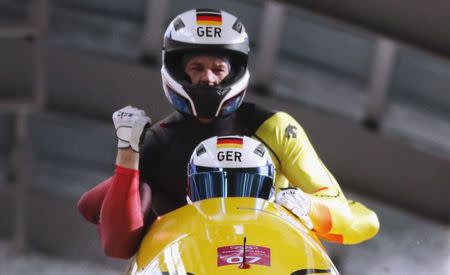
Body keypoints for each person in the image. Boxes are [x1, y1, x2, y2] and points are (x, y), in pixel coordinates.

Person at [77, 8, 379, 259]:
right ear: (178, 70)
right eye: (196, 67)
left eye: (217, 68)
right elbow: (114, 240)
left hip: (268, 258)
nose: (207, 78)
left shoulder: (275, 128)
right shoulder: (158, 141)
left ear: (233, 70)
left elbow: (362, 221)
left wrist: (308, 208)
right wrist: (128, 153)